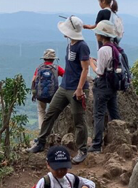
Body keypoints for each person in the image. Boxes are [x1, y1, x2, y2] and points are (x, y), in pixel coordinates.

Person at [29, 17, 91, 163]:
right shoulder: (70, 44)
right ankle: (41, 142)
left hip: (76, 89)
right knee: (50, 114)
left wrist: (80, 88)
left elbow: (85, 69)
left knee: (79, 120)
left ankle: (82, 150)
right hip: (64, 87)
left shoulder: (82, 46)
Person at [89, 20, 121, 153]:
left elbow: (100, 72)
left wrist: (91, 63)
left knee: (99, 114)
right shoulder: (114, 48)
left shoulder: (103, 50)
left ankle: (96, 145)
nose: (96, 34)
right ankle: (121, 138)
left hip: (103, 85)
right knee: (114, 112)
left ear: (101, 35)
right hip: (112, 85)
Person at [31, 48, 65, 129]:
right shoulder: (57, 68)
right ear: (53, 59)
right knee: (54, 112)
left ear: (44, 58)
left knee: (41, 111)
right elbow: (66, 76)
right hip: (53, 95)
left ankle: (42, 131)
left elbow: (33, 80)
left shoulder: (39, 68)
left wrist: (34, 93)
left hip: (40, 95)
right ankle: (54, 130)